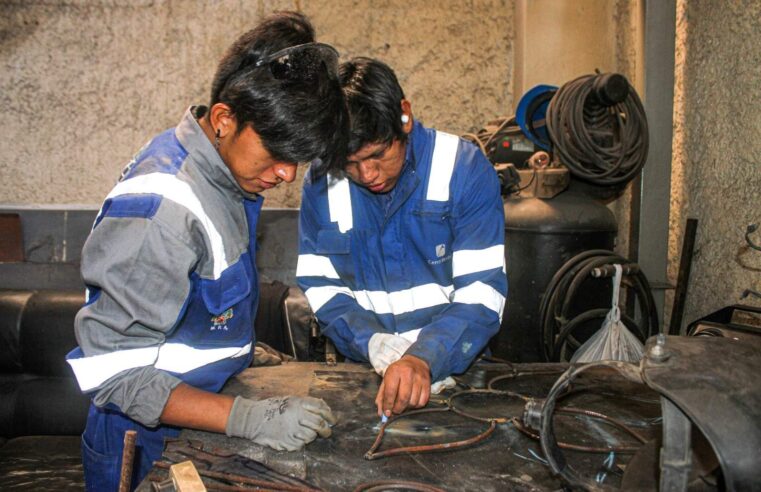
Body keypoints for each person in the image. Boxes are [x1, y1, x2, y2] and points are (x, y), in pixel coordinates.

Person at [66, 12, 347, 491]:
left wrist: (232, 351)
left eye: (296, 160)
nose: (287, 176)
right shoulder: (161, 212)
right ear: (223, 119)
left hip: (195, 415)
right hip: (142, 445)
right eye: (277, 155)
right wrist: (248, 418)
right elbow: (113, 375)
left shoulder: (225, 171)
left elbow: (195, 296)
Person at [297, 57, 507, 419]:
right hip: (364, 371)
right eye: (350, 162)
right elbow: (322, 285)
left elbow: (482, 292)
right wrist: (371, 342)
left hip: (459, 372)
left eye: (379, 154)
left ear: (404, 117)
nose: (367, 174)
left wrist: (425, 357)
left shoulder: (464, 170)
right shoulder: (321, 184)